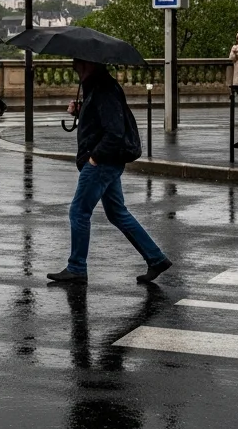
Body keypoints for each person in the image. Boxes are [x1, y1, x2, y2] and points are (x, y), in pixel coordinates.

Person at [47, 59, 171, 285]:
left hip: (102, 162)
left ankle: (76, 267)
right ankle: (156, 258)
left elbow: (114, 131)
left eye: (78, 64)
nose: (75, 67)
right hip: (106, 161)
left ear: (90, 65)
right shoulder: (97, 87)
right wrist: (81, 110)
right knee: (116, 212)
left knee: (79, 211)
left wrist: (95, 158)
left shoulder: (103, 88)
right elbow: (100, 123)